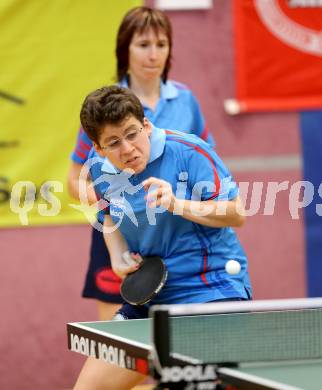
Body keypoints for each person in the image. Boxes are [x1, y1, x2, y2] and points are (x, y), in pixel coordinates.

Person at [73, 85, 252, 389]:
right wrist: (118, 256)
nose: (127, 149)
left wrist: (178, 204)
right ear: (99, 148)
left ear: (146, 125)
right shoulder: (99, 169)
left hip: (210, 290)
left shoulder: (188, 152)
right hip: (151, 296)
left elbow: (237, 213)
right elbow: (109, 219)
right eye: (113, 142)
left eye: (132, 134)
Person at [67, 6, 215, 321]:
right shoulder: (102, 111)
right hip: (122, 232)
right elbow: (75, 182)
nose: (153, 55)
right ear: (125, 49)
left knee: (178, 353)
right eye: (143, 45)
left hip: (178, 236)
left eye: (161, 45)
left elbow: (208, 166)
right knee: (119, 347)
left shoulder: (186, 101)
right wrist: (117, 202)